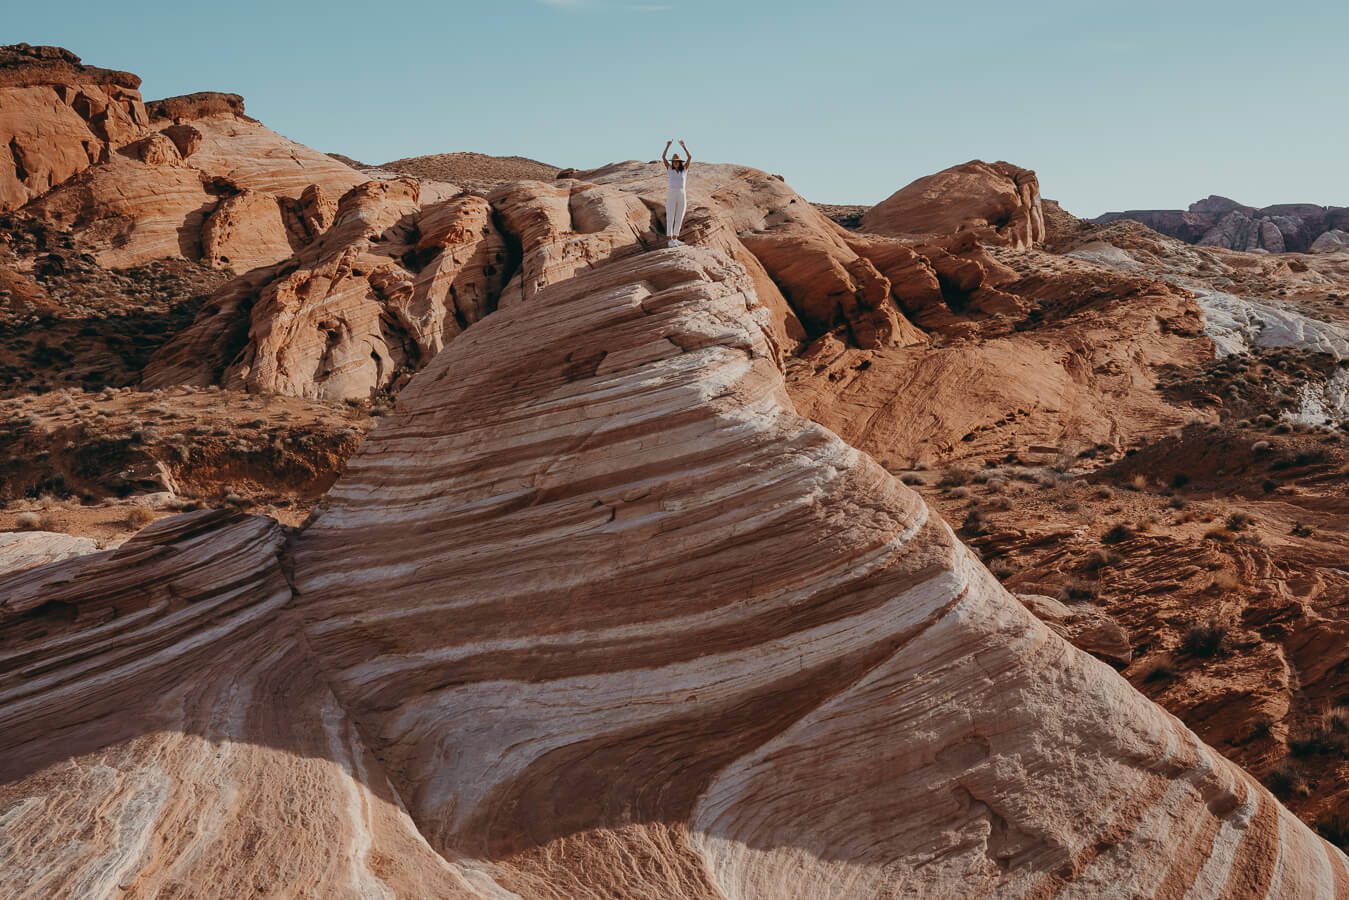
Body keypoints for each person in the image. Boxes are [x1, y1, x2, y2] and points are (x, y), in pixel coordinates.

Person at [661, 139, 692, 246]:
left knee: (680, 215)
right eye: (674, 161)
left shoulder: (684, 170)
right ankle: (670, 240)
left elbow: (690, 157)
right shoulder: (670, 169)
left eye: (677, 161)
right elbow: (663, 158)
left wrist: (684, 146)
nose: (675, 163)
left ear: (679, 162)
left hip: (682, 193)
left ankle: (675, 238)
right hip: (672, 193)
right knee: (670, 215)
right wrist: (667, 146)